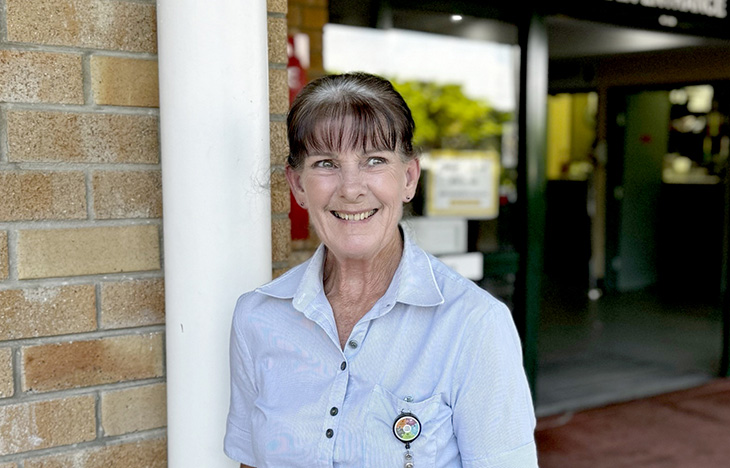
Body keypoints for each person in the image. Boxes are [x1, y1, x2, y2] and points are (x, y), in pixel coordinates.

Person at [224, 72, 538, 467]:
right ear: (298, 185)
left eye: (374, 160)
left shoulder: (474, 324)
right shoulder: (258, 317)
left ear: (408, 177)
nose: (351, 188)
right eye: (326, 163)